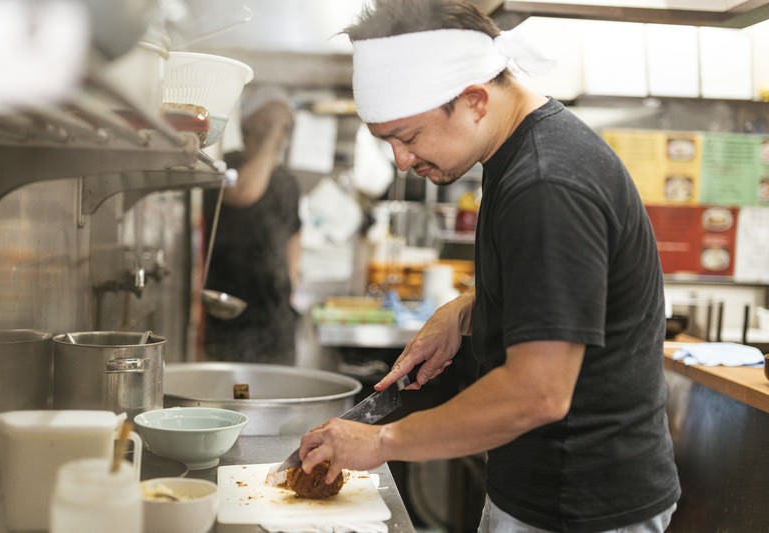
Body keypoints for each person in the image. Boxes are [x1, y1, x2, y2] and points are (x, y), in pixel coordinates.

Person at [295, 1, 681, 532]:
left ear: (475, 100)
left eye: (407, 138)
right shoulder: (522, 153)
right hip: (554, 491)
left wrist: (381, 442)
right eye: (387, 142)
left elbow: (538, 392)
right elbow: (572, 288)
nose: (401, 162)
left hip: (580, 508)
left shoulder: (546, 184)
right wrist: (467, 310)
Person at [202, 87, 301, 365]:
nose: (280, 132)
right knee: (237, 394)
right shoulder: (227, 166)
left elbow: (294, 233)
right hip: (229, 317)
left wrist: (290, 286)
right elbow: (244, 193)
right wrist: (271, 138)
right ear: (247, 124)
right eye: (269, 123)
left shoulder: (286, 181)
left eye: (284, 126)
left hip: (275, 319)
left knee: (277, 396)